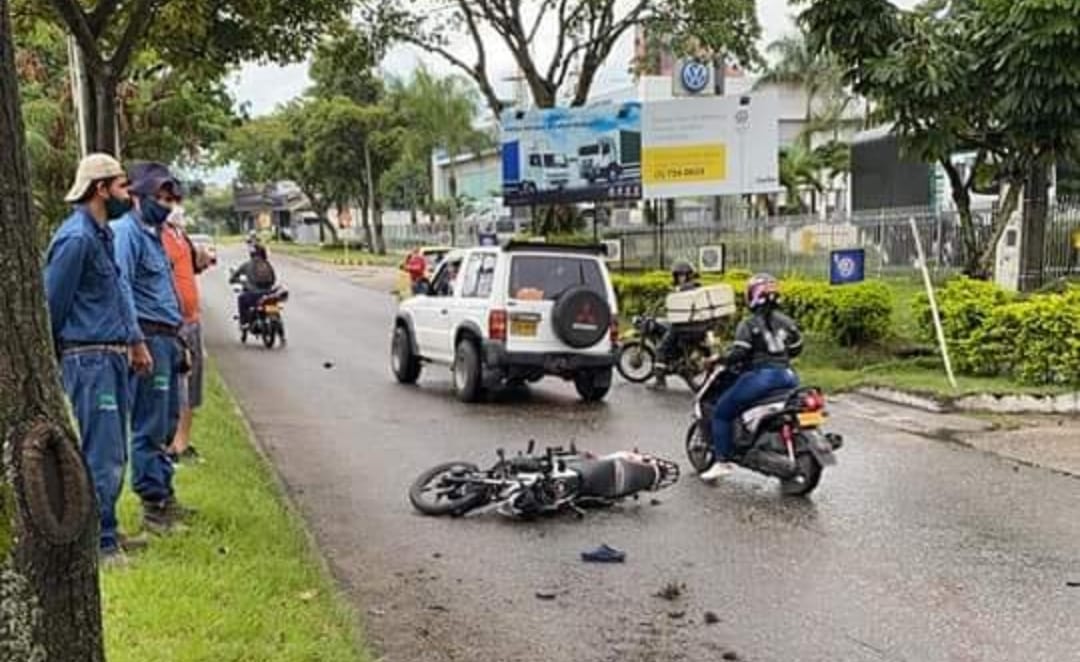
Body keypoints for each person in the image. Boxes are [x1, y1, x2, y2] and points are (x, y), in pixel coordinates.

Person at [43, 154, 150, 565]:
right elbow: (53, 305)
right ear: (101, 189)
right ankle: (98, 544)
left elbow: (119, 298)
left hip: (113, 356)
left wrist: (135, 343)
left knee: (114, 449)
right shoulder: (76, 240)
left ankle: (108, 529)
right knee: (100, 453)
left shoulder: (102, 236)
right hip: (88, 360)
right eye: (122, 186)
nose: (128, 194)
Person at [112, 161, 196, 532]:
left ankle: (164, 494)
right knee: (149, 424)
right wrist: (136, 342)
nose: (166, 203)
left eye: (170, 198)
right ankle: (153, 506)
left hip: (168, 337)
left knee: (167, 422)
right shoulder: (126, 234)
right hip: (147, 336)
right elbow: (122, 287)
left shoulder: (154, 234)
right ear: (138, 196)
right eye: (160, 197)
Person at [701, 273, 803, 482]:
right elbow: (797, 347)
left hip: (762, 378)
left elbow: (739, 352)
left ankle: (721, 462)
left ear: (753, 296)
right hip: (788, 376)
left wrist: (719, 360)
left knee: (721, 412)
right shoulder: (787, 321)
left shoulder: (748, 324)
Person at [162, 204, 210, 465]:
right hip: (172, 322)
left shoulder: (181, 236)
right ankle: (171, 443)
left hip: (192, 319)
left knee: (191, 384)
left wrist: (199, 259)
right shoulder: (155, 235)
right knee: (175, 385)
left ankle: (183, 442)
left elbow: (190, 268)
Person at [653, 261, 702, 388]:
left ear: (688, 276)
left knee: (661, 349)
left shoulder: (683, 289)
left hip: (682, 326)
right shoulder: (698, 286)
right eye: (678, 276)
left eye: (682, 275)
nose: (680, 278)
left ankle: (660, 381)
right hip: (698, 325)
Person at [230, 243, 278, 328]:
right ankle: (281, 335)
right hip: (269, 293)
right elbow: (273, 279)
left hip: (254, 295)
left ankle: (244, 322)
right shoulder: (267, 264)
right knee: (273, 307)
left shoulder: (247, 264)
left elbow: (233, 278)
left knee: (241, 298)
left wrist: (237, 281)